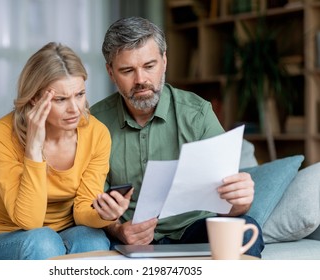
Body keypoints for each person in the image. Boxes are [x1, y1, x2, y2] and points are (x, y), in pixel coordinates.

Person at [90, 17, 264, 258]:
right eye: (127, 70)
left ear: (164, 61)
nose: (141, 80)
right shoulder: (93, 122)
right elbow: (89, 202)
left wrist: (241, 201)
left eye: (149, 66)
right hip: (126, 234)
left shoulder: (198, 113)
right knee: (89, 242)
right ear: (111, 72)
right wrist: (118, 230)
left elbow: (229, 207)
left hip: (192, 228)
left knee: (246, 229)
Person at [0, 42, 132, 260]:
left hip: (64, 233)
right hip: (4, 238)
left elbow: (83, 210)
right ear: (35, 98)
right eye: (60, 99)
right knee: (43, 241)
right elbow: (30, 221)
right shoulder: (1, 134)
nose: (75, 109)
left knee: (93, 240)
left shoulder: (97, 133)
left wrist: (105, 215)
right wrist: (34, 148)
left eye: (80, 94)